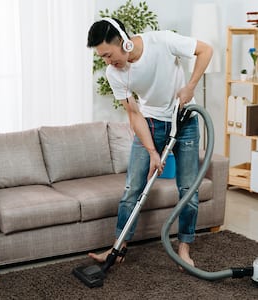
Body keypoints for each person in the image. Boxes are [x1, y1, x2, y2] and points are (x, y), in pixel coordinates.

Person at [86, 17, 213, 267]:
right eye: (102, 58)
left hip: (184, 120)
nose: (108, 62)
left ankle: (184, 248)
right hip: (151, 124)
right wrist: (152, 151)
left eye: (109, 55)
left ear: (125, 42)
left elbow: (205, 50)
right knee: (132, 189)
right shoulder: (115, 74)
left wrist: (190, 86)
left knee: (188, 189)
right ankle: (118, 247)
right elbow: (134, 114)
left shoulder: (162, 41)